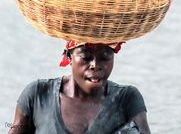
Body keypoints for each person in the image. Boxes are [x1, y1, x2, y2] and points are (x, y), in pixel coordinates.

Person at [8, 41, 151, 134]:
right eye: (86, 57)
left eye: (105, 57)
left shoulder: (127, 98)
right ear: (69, 58)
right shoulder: (38, 94)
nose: (95, 65)